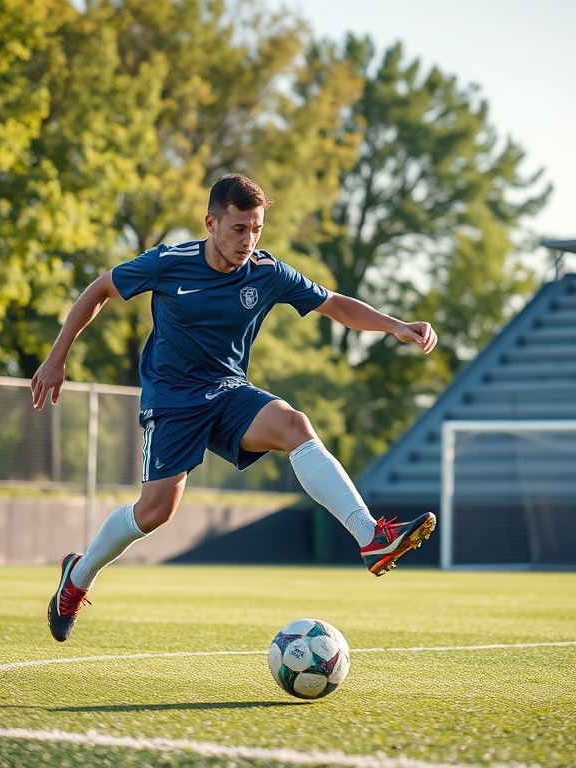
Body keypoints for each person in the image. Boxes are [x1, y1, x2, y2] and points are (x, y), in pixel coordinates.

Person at [31, 173, 438, 643]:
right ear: (211, 222)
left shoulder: (266, 273)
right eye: (238, 228)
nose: (248, 240)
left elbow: (334, 305)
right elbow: (98, 290)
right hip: (172, 401)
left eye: (257, 229)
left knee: (294, 424)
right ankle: (78, 577)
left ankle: (371, 537)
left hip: (228, 392)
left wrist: (395, 326)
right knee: (155, 512)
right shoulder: (168, 262)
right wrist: (56, 358)